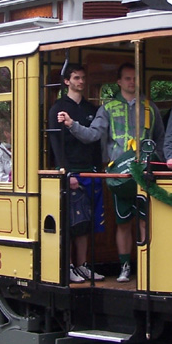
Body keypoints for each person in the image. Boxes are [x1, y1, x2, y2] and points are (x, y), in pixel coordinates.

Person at [63, 63, 164, 283]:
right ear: (119, 82)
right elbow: (92, 135)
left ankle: (148, 267)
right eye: (127, 78)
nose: (132, 82)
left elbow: (161, 139)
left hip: (145, 173)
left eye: (135, 78)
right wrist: (72, 125)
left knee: (146, 221)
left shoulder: (150, 107)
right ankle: (124, 267)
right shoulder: (108, 108)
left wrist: (160, 162)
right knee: (123, 222)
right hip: (119, 175)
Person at [49, 63, 105, 284]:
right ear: (67, 81)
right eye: (76, 78)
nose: (81, 82)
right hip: (71, 172)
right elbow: (56, 143)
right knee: (70, 223)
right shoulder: (58, 108)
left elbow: (96, 142)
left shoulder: (91, 109)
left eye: (82, 78)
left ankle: (83, 265)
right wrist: (66, 172)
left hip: (91, 172)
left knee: (86, 224)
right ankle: (69, 265)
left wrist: (99, 169)